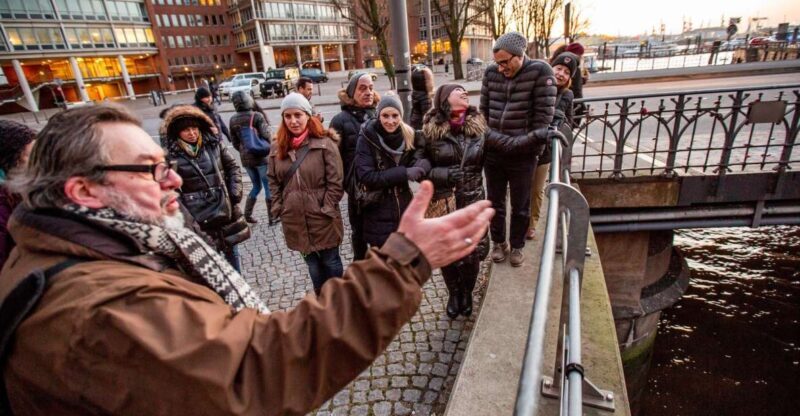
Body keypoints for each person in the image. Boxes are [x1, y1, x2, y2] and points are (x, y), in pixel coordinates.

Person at [0, 104, 494, 416]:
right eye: (150, 169)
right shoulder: (98, 312)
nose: (173, 179)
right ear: (83, 192)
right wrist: (405, 260)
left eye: (165, 164)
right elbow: (258, 369)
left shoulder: (87, 247)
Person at [422, 84, 559, 318]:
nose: (464, 92)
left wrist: (539, 135)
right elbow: (419, 167)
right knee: (448, 253)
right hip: (445, 203)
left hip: (472, 202)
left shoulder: (479, 129)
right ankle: (454, 294)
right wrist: (441, 174)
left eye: (465, 90)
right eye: (458, 90)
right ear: (444, 98)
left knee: (472, 254)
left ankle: (467, 293)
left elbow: (509, 144)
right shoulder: (429, 131)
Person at [481, 32, 557, 267]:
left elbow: (542, 122)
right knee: (494, 202)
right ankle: (498, 243)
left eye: (505, 62)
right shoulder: (491, 73)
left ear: (519, 55)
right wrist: (496, 140)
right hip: (494, 152)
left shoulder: (541, 72)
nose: (501, 68)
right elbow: (483, 115)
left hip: (523, 155)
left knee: (521, 205)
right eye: (497, 63)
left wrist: (521, 145)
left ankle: (517, 246)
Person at [267, 93, 344, 295]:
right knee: (313, 265)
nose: (293, 121)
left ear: (308, 116)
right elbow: (273, 180)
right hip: (294, 219)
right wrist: (280, 207)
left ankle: (339, 300)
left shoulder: (324, 143)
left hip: (323, 218)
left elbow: (336, 182)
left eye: (298, 115)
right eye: (288, 116)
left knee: (331, 261)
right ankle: (321, 300)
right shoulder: (276, 148)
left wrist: (327, 208)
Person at [161, 105, 250, 271]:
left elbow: (232, 167)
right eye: (186, 130)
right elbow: (170, 188)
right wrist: (186, 211)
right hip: (199, 217)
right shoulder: (171, 156)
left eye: (194, 128)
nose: (192, 133)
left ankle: (237, 282)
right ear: (177, 133)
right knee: (210, 259)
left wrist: (234, 193)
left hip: (225, 211)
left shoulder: (213, 144)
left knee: (232, 254)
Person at [355, 94, 427, 249]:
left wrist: (422, 165)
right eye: (385, 116)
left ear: (401, 116)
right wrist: (404, 173)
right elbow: (367, 176)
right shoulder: (367, 137)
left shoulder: (408, 134)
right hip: (378, 211)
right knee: (385, 260)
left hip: (404, 207)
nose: (390, 121)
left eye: (395, 116)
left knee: (406, 257)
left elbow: (420, 158)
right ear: (378, 115)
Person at [329, 73, 380, 261]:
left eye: (371, 88)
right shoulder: (340, 120)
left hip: (380, 185)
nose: (368, 92)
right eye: (362, 88)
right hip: (357, 191)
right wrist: (348, 185)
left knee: (381, 232)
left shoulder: (379, 114)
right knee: (359, 233)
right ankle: (361, 268)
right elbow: (333, 160)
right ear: (352, 92)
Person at [527, 52, 578, 240]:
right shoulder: (537, 85)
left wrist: (560, 120)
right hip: (528, 145)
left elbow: (570, 123)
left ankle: (531, 224)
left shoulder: (567, 95)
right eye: (559, 68)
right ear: (551, 67)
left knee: (537, 189)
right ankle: (520, 220)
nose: (561, 74)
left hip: (546, 150)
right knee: (523, 186)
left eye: (567, 72)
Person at [229, 90, 277, 225]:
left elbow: (235, 142)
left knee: (256, 186)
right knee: (268, 186)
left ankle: (248, 214)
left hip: (246, 159)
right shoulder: (256, 116)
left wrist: (244, 151)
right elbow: (267, 135)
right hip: (261, 157)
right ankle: (272, 217)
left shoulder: (233, 119)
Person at [0, 121, 36, 269]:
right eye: (31, 155)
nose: (38, 161)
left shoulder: (15, 192)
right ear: (12, 158)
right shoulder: (3, 201)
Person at [564, 42, 588, 124]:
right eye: (581, 54)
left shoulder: (564, 65)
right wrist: (582, 107)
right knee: (570, 128)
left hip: (567, 105)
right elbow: (576, 91)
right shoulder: (575, 69)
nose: (581, 57)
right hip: (574, 107)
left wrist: (582, 80)